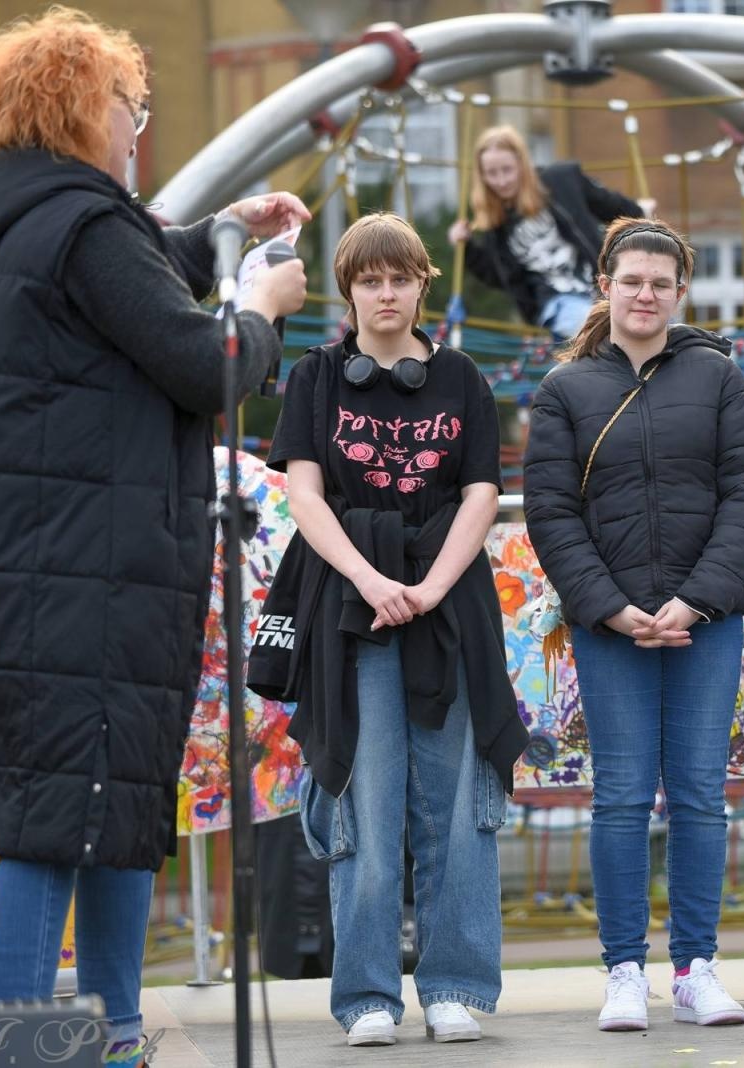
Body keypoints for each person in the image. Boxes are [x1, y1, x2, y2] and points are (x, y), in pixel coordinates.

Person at [0, 9, 308, 1065]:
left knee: (103, 804)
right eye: (133, 107)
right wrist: (261, 305)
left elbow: (130, 283)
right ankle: (30, 1043)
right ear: (88, 112)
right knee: (66, 816)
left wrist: (215, 230)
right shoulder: (86, 226)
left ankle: (108, 1036)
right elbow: (203, 365)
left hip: (42, 570)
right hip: (83, 574)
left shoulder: (32, 217)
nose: (139, 127)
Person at [264, 212, 529, 1045]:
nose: (386, 293)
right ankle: (368, 994)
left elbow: (481, 494)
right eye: (370, 280)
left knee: (456, 806)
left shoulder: (462, 379)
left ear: (422, 285)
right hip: (353, 609)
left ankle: (453, 985)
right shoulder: (317, 377)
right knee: (366, 801)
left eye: (400, 279)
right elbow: (304, 496)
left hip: (449, 609)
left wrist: (430, 587)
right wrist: (373, 581)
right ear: (348, 290)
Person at [523, 219, 744, 1031]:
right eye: (631, 280)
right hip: (612, 628)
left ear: (680, 292)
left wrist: (698, 599)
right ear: (606, 285)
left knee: (700, 796)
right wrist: (608, 606)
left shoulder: (719, 377)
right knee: (623, 799)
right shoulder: (565, 390)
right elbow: (552, 513)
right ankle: (624, 971)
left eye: (661, 283)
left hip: (705, 622)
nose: (645, 294)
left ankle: (696, 970)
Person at [447, 125, 654, 339]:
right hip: (558, 302)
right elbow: (502, 277)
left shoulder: (561, 181)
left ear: (521, 164)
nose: (501, 181)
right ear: (482, 177)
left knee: (653, 319)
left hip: (602, 282)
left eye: (507, 170)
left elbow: (606, 204)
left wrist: (639, 211)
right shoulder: (495, 225)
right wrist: (467, 248)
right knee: (597, 327)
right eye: (492, 173)